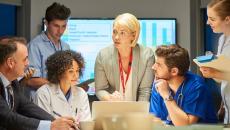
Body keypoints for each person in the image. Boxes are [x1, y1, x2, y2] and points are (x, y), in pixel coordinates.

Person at [0, 37, 77, 130]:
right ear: (10, 63)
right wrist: (50, 126)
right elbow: (7, 118)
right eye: (25, 59)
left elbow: (26, 106)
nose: (28, 63)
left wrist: (56, 122)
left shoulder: (13, 82)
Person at [149, 45, 217, 126]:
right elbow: (154, 120)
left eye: (158, 65)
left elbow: (186, 126)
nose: (153, 67)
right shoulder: (159, 83)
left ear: (174, 71)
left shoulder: (196, 87)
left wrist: (166, 95)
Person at [95, 13, 154, 101]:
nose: (116, 37)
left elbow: (145, 91)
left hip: (137, 109)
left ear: (133, 35)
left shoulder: (147, 55)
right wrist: (109, 98)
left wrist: (140, 114)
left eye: (122, 33)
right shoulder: (103, 55)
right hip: (112, 110)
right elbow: (100, 89)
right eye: (114, 32)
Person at [33, 50, 91, 124]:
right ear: (59, 73)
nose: (76, 76)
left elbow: (86, 123)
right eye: (71, 71)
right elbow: (44, 125)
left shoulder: (81, 93)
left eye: (77, 71)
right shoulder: (43, 94)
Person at [199, 0, 230, 124]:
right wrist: (223, 105)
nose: (207, 22)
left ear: (227, 19)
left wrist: (215, 73)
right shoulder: (222, 40)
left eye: (212, 19)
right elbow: (225, 76)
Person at [27, 2, 71, 89]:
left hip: (60, 99)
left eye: (63, 26)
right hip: (40, 100)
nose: (60, 31)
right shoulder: (35, 46)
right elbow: (31, 80)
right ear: (46, 23)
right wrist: (58, 84)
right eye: (56, 26)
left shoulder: (66, 46)